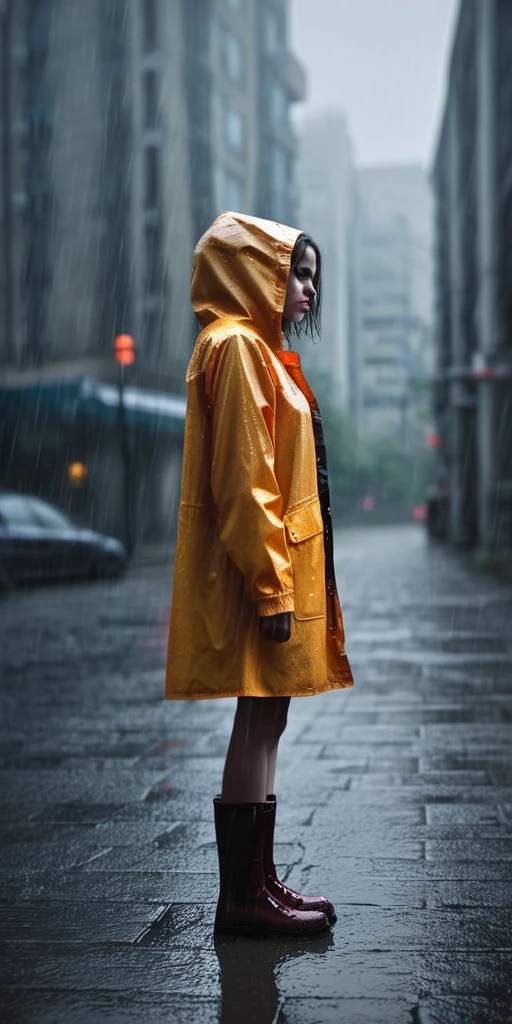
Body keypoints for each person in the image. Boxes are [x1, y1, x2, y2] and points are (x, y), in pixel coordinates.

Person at [165, 211, 353, 936]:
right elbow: (247, 481)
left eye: (311, 276)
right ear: (258, 271)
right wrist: (272, 586)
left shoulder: (258, 351)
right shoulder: (238, 347)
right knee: (255, 717)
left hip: (276, 567)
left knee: (269, 716)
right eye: (295, 272)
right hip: (260, 574)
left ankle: (260, 884)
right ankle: (242, 899)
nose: (306, 288)